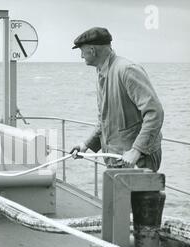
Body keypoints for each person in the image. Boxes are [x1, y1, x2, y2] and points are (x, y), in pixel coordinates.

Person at [70, 27, 164, 172]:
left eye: (82, 51)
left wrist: (136, 150)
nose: (82, 56)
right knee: (118, 195)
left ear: (92, 50)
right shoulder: (101, 72)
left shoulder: (126, 70)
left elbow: (154, 112)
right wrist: (86, 145)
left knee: (138, 196)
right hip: (117, 159)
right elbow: (104, 120)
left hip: (137, 161)